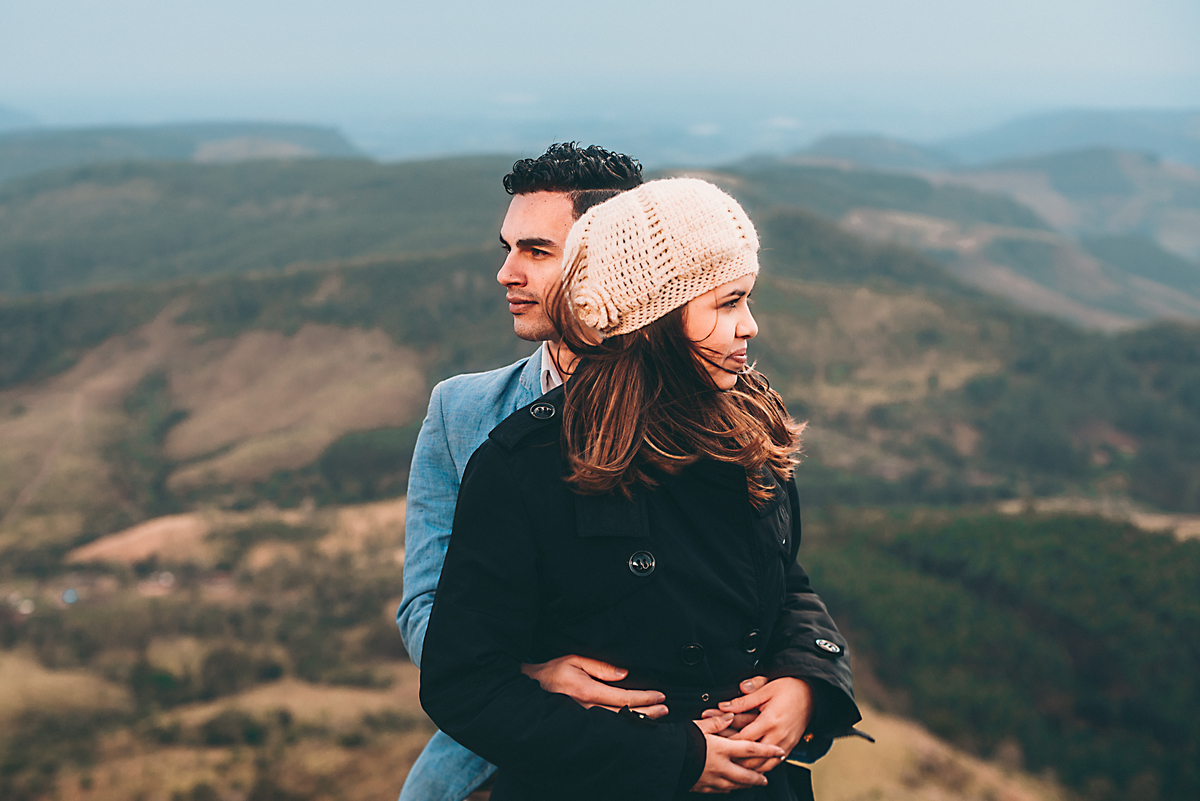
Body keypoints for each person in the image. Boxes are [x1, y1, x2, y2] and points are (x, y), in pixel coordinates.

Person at [419, 178, 861, 800]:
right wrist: (672, 755)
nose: (751, 326)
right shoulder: (528, 464)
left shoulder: (744, 431)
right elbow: (463, 682)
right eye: (729, 303)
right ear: (654, 319)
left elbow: (780, 580)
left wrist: (805, 684)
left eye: (747, 301)